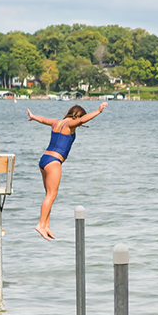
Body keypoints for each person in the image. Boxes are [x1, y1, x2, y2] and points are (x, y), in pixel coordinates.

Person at [27, 102, 106, 239]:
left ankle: (46, 225)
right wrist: (98, 111)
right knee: (51, 195)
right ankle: (40, 224)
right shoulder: (70, 125)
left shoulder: (56, 122)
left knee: (49, 195)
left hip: (44, 160)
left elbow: (43, 119)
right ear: (77, 116)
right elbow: (82, 120)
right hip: (53, 162)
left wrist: (33, 116)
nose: (80, 125)